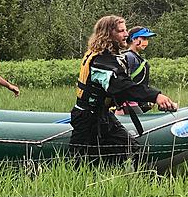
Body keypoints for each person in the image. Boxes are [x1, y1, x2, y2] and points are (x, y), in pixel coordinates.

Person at [69, 15, 177, 166]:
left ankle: (134, 182)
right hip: (87, 119)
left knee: (132, 150)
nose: (126, 34)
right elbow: (122, 86)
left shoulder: (108, 56)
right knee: (80, 163)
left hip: (103, 115)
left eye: (125, 30)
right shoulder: (100, 61)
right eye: (121, 31)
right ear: (108, 34)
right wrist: (156, 96)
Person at [119, 26, 157, 114]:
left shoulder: (136, 57)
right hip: (128, 104)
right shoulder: (129, 56)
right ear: (134, 39)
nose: (146, 42)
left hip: (135, 101)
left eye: (147, 39)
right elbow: (123, 82)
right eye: (143, 38)